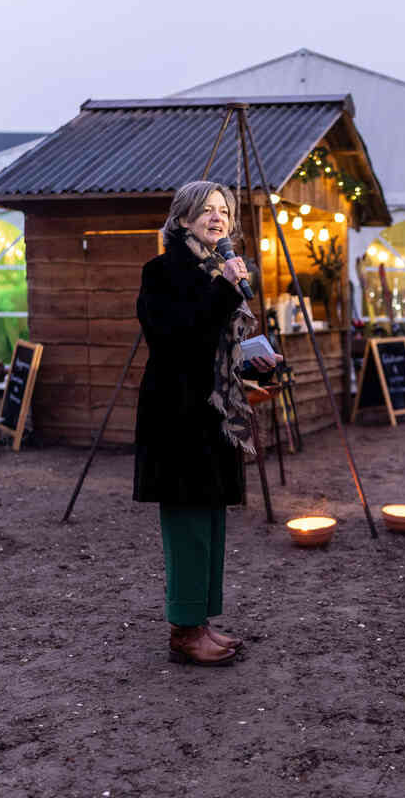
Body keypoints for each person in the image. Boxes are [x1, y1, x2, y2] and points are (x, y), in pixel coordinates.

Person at [135, 180, 281, 666]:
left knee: (211, 519)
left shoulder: (218, 271)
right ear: (181, 219)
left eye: (223, 210)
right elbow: (174, 338)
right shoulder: (160, 272)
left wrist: (248, 362)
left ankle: (200, 621)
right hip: (177, 416)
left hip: (212, 414)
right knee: (187, 522)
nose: (218, 216)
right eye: (206, 210)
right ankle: (182, 630)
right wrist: (223, 288)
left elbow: (213, 349)